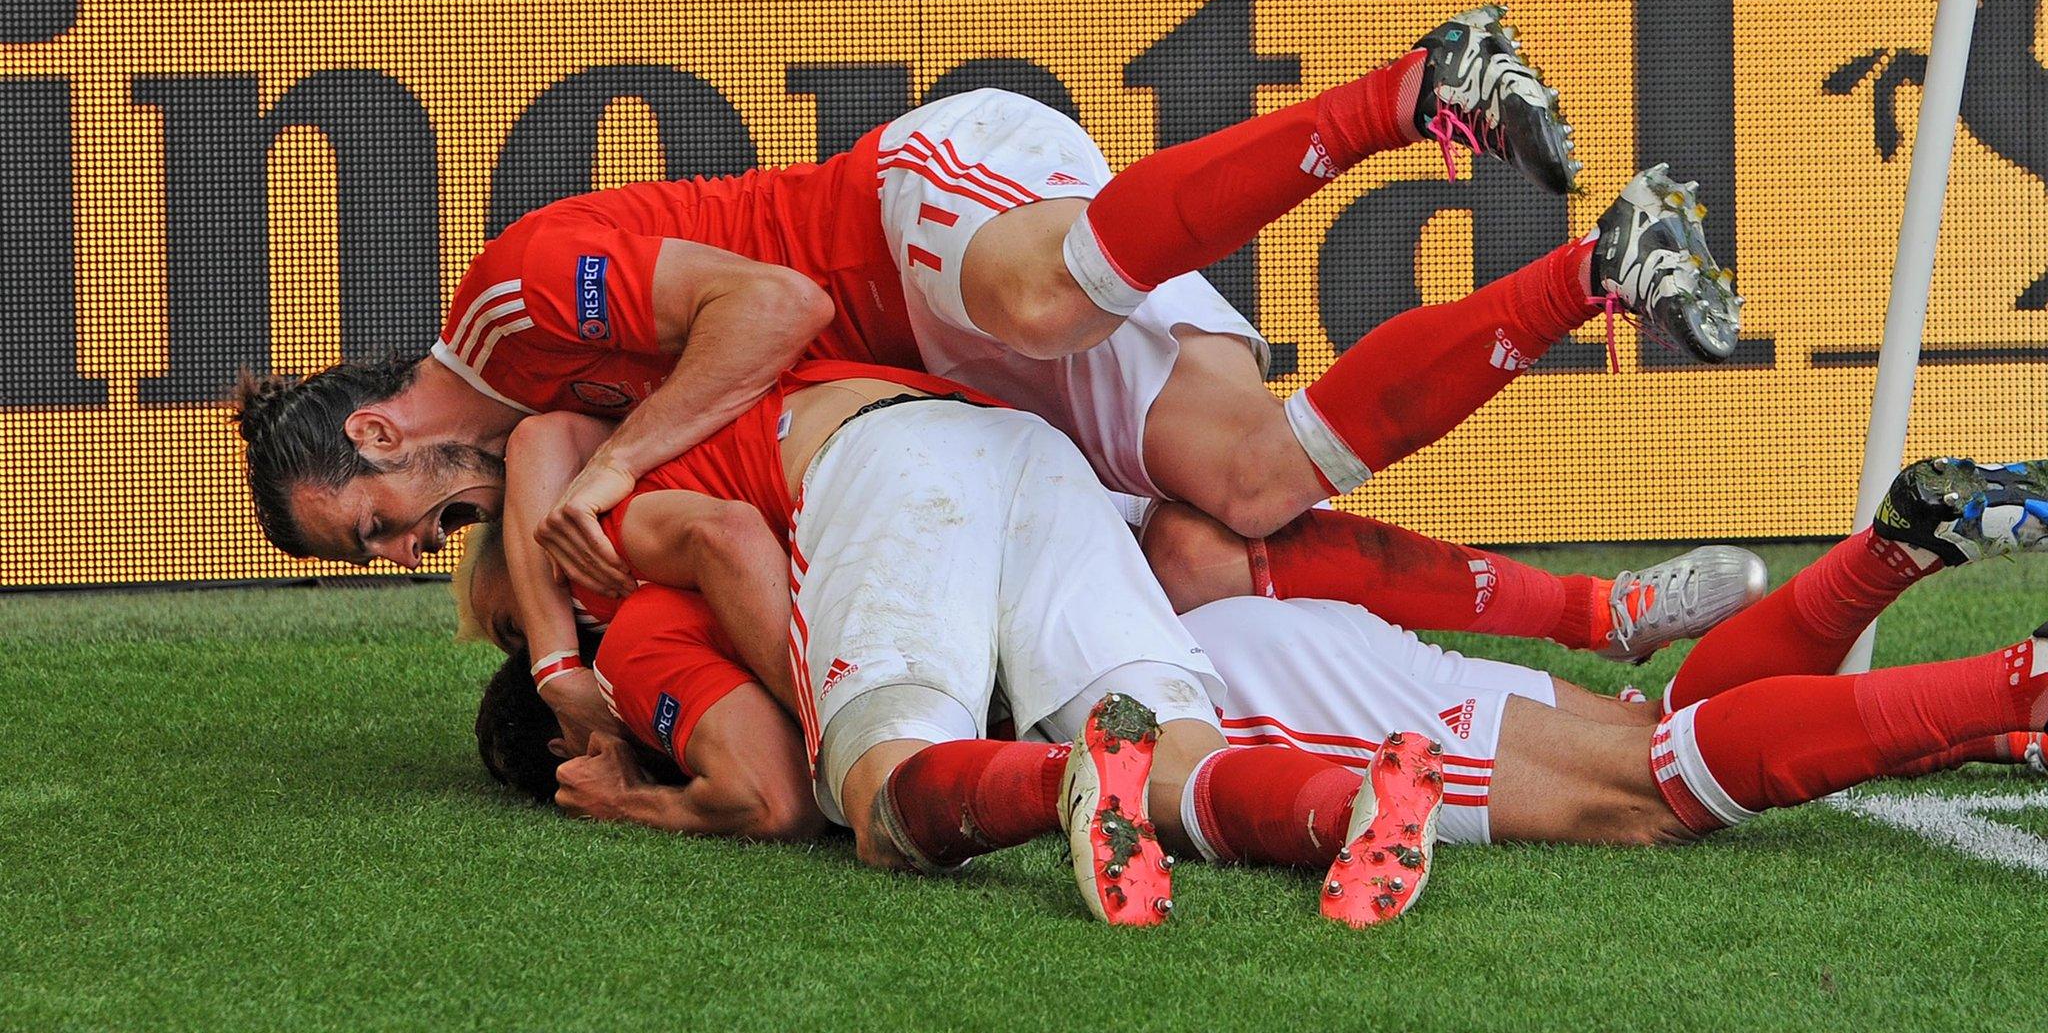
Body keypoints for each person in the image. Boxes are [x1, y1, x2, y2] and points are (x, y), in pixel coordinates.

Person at [233, 5, 1748, 740]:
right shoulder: (539, 428)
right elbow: (546, 516)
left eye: (368, 524)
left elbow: (762, 308)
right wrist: (560, 670)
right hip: (944, 377)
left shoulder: (507, 301)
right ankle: (1600, 276)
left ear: (377, 432)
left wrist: (628, 477)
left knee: (1031, 298)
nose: (403, 548)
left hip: (908, 219)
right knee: (1234, 504)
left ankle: (1418, 87)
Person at [465, 455, 2048, 890]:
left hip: (1216, 689)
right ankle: (1895, 552)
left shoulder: (660, 629)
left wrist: (628, 797)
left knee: (1646, 798)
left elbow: (772, 783)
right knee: (1661, 735)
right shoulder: (770, 499)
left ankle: (2014, 686)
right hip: (1215, 644)